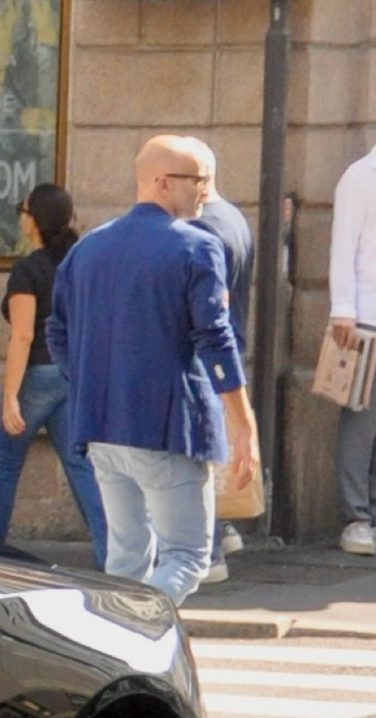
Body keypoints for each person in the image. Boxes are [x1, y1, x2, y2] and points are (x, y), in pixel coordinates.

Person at [46, 135, 259, 604]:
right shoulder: (196, 247)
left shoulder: (88, 249)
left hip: (101, 427)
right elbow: (216, 339)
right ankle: (128, 641)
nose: (206, 191)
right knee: (186, 558)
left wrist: (88, 384)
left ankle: (116, 651)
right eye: (198, 180)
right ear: (163, 183)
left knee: (125, 561)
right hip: (168, 429)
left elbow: (56, 332)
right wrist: (244, 424)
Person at [0, 183, 106, 561]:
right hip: (70, 375)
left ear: (34, 222)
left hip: (35, 376)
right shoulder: (80, 263)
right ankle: (116, 554)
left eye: (23, 210)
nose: (21, 217)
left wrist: (12, 395)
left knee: (6, 466)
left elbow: (23, 335)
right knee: (81, 467)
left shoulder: (27, 271)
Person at [189, 141, 255, 576]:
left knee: (203, 455)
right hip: (228, 349)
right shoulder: (232, 216)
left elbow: (209, 309)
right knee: (217, 451)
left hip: (208, 355)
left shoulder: (205, 229)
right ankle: (225, 530)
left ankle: (209, 551)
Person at [328, 135, 376, 554]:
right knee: (361, 423)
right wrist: (342, 308)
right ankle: (356, 517)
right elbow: (343, 245)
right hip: (366, 318)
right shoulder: (360, 177)